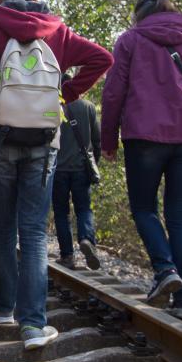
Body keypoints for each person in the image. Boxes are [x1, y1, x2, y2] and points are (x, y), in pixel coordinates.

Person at [0, 0, 113, 350]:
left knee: (3, 228)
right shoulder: (56, 29)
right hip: (43, 140)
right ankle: (33, 326)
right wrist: (62, 96)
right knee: (34, 233)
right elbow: (102, 59)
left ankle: (4, 310)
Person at [100, 0, 182, 321]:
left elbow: (114, 91)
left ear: (138, 15)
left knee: (144, 208)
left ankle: (165, 268)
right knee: (180, 216)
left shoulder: (130, 40)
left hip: (144, 135)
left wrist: (108, 138)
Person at [53, 74, 102, 271]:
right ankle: (86, 239)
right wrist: (93, 163)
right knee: (84, 208)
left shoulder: (54, 106)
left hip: (58, 169)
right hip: (82, 168)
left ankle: (67, 256)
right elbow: (96, 140)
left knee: (61, 213)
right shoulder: (88, 107)